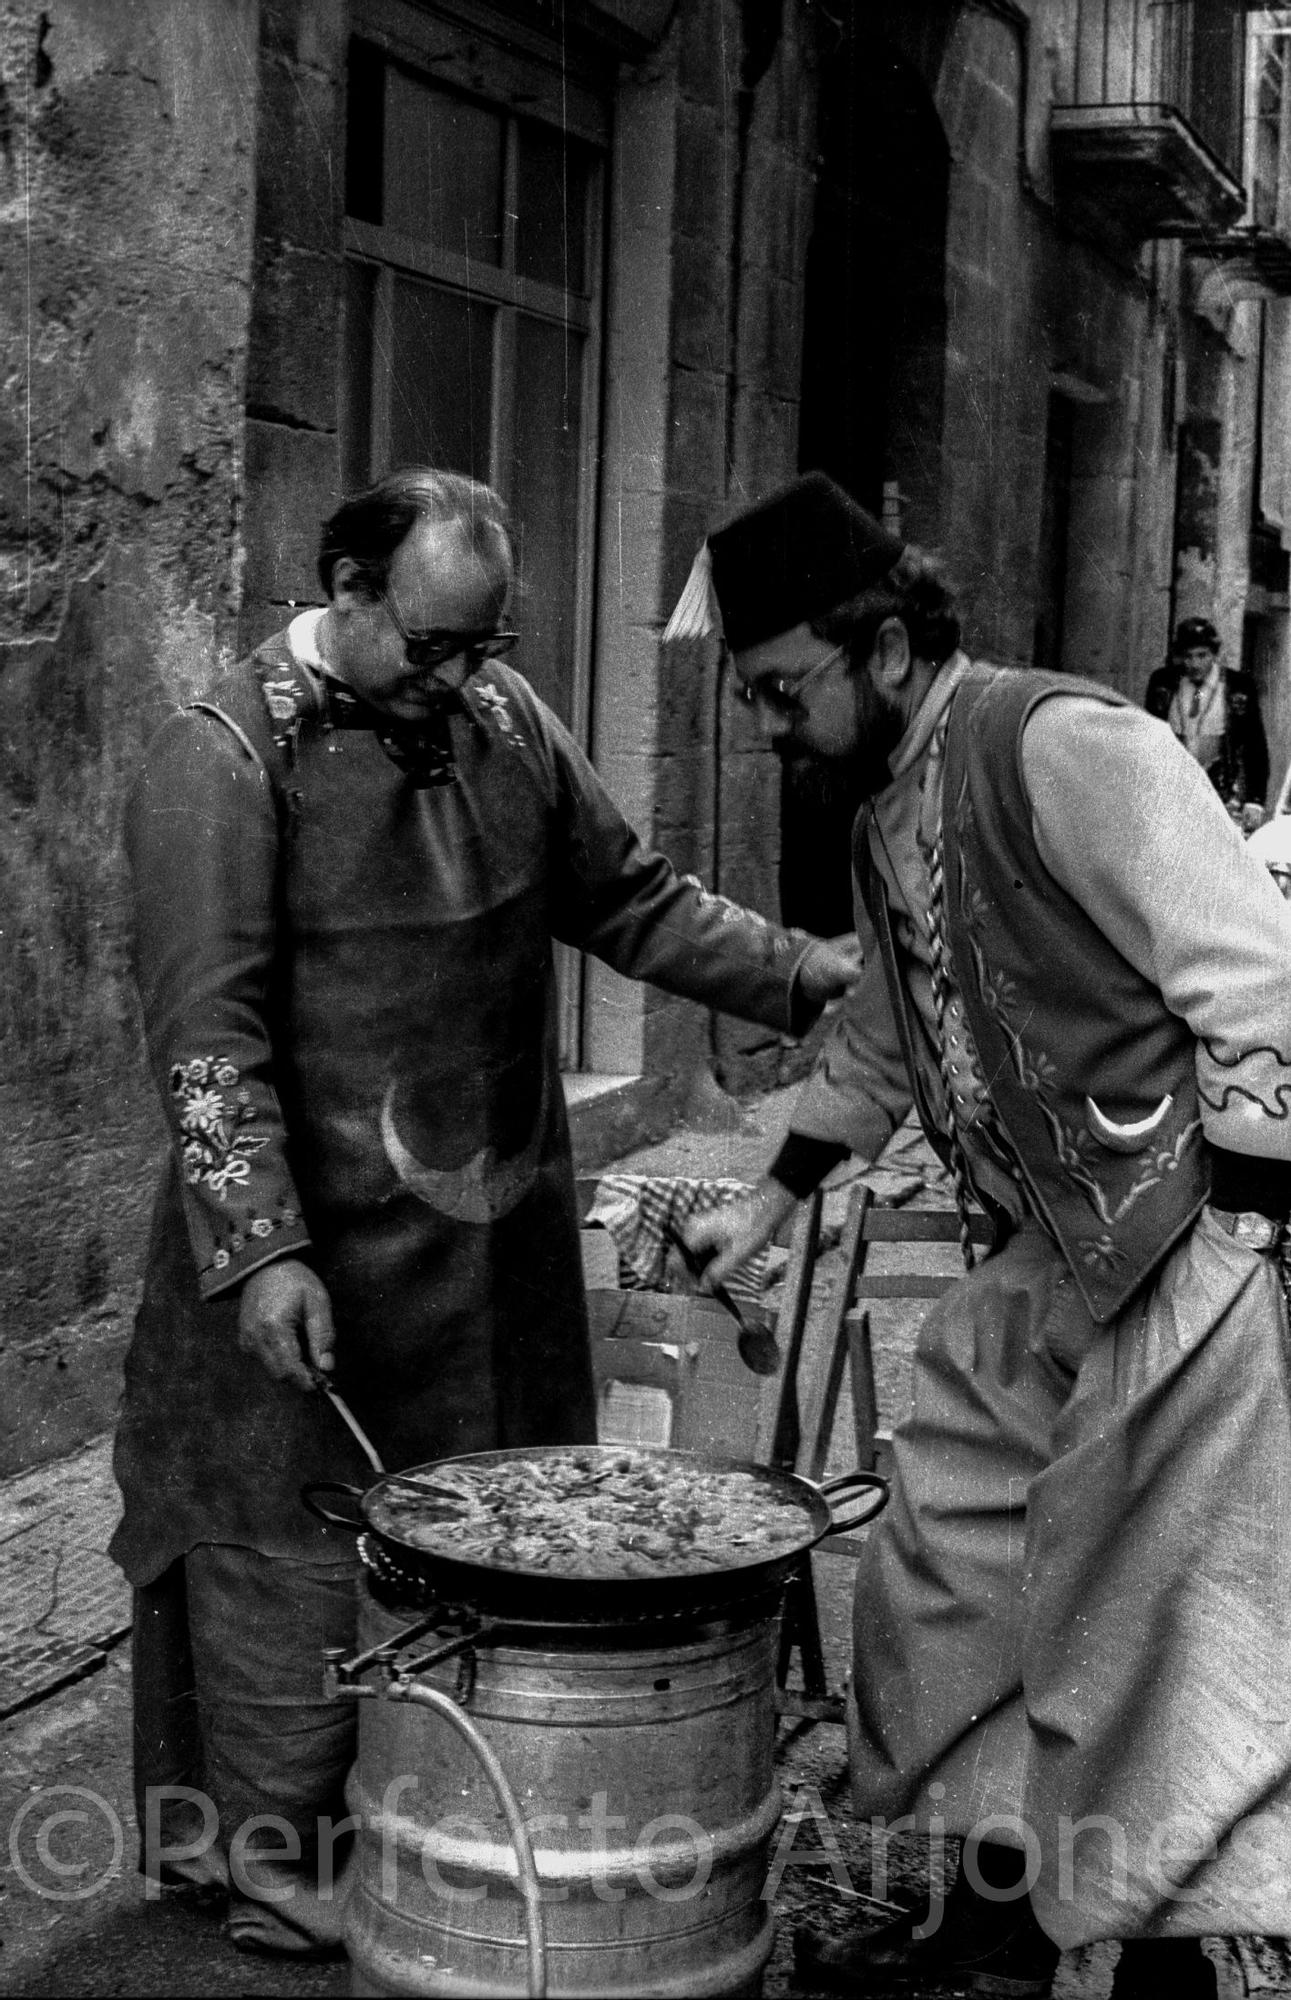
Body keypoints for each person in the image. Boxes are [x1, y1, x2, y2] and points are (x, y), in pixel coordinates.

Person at [112, 466, 860, 1955]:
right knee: (284, 1544)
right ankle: (268, 1861)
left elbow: (632, 897)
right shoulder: (223, 760)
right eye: (434, 645)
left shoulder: (505, 724)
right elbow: (208, 1044)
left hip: (485, 1239)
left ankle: (451, 1809)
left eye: (484, 648)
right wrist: (257, 1251)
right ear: (347, 587)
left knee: (479, 1540)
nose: (458, 679)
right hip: (308, 1245)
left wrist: (798, 973)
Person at [681, 472, 1291, 1999]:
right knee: (945, 1548)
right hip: (1050, 1248)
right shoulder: (888, 801)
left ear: (883, 649)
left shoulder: (1060, 746)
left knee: (1146, 1610)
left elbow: (1253, 976)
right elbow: (887, 1036)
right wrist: (765, 1204)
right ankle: (998, 1911)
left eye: (780, 691)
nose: (766, 726)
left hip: (1184, 1235)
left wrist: (1240, 1237)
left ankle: (1165, 1956)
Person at [1145, 614, 1268, 823]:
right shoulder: (1163, 682)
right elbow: (1149, 736)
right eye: (1188, 656)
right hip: (1173, 786)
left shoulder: (1238, 686)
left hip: (1221, 791)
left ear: (1214, 654)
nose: (1194, 664)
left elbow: (1254, 744)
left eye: (1202, 656)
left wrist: (1255, 799)